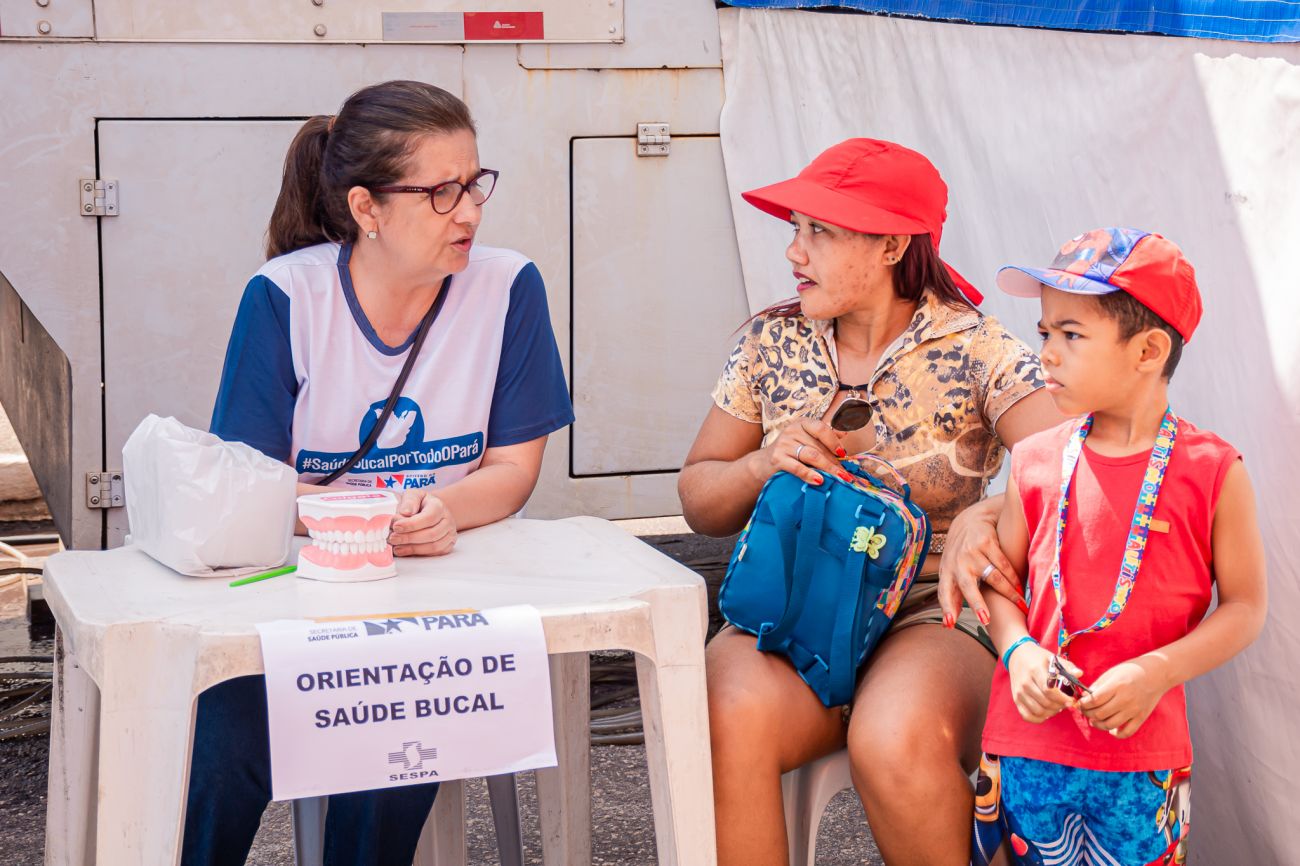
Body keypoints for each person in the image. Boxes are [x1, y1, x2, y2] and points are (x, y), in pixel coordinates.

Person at [185, 80, 574, 866]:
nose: (469, 213)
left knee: (401, 719)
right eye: (439, 192)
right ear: (366, 208)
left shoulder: (508, 287)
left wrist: (447, 511)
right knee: (226, 742)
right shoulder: (285, 297)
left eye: (475, 184)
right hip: (301, 600)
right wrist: (360, 519)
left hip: (439, 606)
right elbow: (251, 483)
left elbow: (513, 470)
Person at [678, 138, 1064, 865]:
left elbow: (1067, 466)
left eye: (820, 231)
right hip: (794, 607)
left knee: (894, 737)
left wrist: (985, 515)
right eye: (795, 228)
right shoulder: (771, 342)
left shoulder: (978, 349)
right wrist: (761, 464)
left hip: (931, 611)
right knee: (722, 710)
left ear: (892, 245)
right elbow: (700, 497)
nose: (794, 251)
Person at [971, 228, 1267, 866]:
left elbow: (1246, 607)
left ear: (1148, 350)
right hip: (1027, 744)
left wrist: (1158, 671)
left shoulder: (1213, 471)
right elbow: (1000, 584)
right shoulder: (1034, 459)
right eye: (1044, 332)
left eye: (1071, 334)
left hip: (1142, 760)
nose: (1046, 353)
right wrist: (1018, 651)